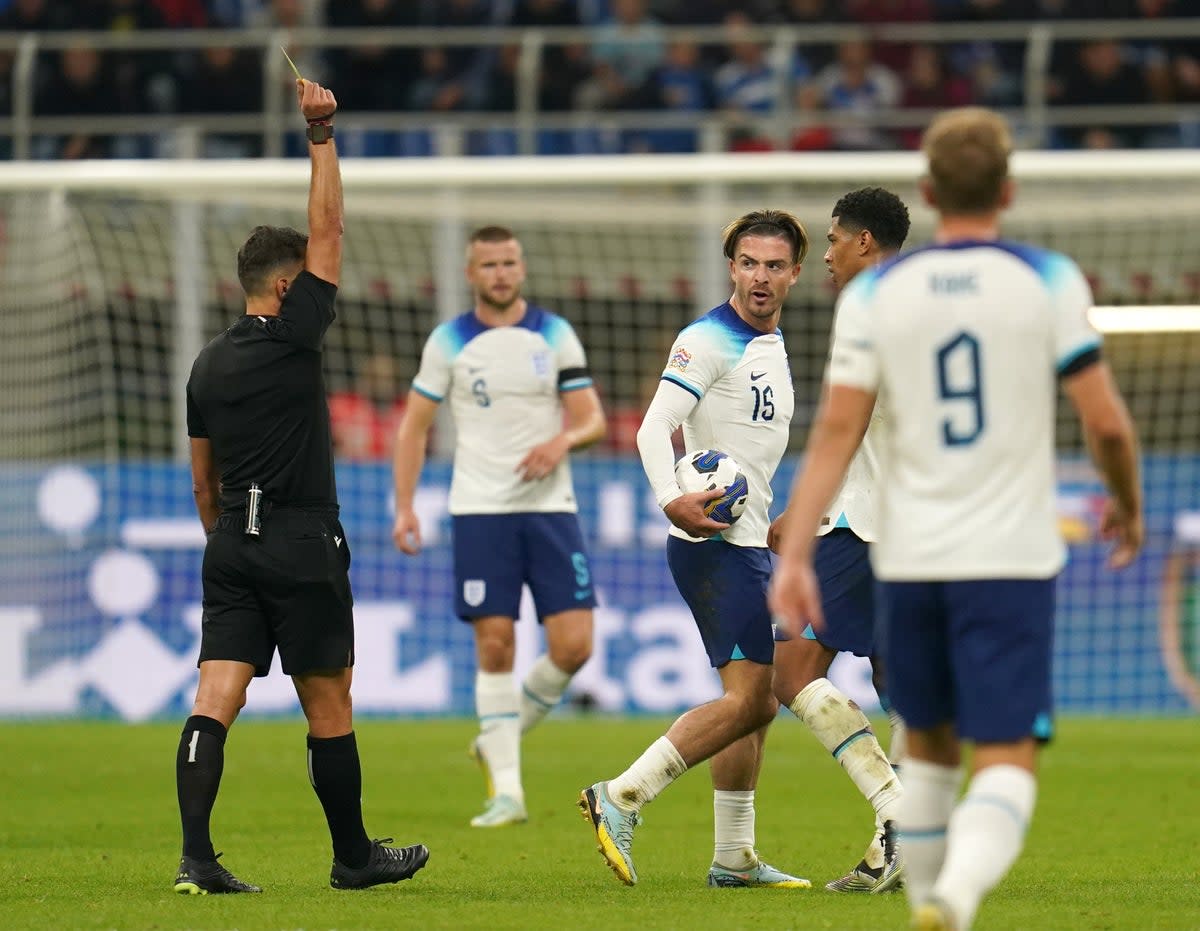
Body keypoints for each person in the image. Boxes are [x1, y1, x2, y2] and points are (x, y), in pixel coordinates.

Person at [769, 107, 1142, 930]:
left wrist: (794, 546)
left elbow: (837, 428)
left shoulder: (880, 296)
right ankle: (955, 898)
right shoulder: (1048, 278)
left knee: (927, 755)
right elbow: (1108, 423)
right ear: (1008, 189)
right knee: (1004, 758)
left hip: (908, 552)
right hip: (1009, 554)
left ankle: (922, 883)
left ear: (930, 193)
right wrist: (1128, 503)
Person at [175, 78, 429, 895]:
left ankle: (196, 858)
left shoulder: (206, 363)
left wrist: (228, 535)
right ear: (285, 290)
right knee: (329, 700)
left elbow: (202, 479)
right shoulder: (293, 340)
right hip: (299, 539)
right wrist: (320, 135)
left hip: (229, 544)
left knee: (217, 692)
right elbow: (331, 226)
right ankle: (353, 857)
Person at [579, 210, 811, 889]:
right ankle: (621, 794)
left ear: (795, 272)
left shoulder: (768, 342)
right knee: (748, 698)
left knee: (759, 699)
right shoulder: (708, 338)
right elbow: (656, 428)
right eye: (748, 262)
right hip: (711, 540)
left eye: (774, 265)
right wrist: (668, 498)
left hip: (747, 536)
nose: (760, 276)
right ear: (730, 266)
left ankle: (734, 857)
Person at [392, 225, 607, 828]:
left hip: (549, 508)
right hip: (480, 510)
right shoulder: (450, 341)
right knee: (495, 643)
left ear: (522, 266)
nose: (501, 273)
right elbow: (412, 428)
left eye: (510, 262)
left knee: (574, 646)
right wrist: (405, 506)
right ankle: (507, 791)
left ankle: (496, 735)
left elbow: (591, 419)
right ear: (471, 273)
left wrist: (560, 440)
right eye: (489, 264)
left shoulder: (554, 333)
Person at [768, 186, 911, 895]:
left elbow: (842, 429)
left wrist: (801, 516)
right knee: (898, 680)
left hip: (860, 522)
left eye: (831, 240)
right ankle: (903, 840)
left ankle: (903, 815)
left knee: (787, 670)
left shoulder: (867, 309)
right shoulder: (923, 305)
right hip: (913, 524)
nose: (822, 255)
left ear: (862, 242)